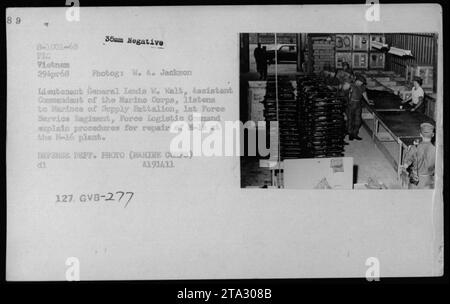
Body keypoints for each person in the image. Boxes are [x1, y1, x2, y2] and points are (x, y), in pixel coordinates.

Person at [402, 122, 436, 189]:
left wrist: (407, 150)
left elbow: (405, 165)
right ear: (432, 135)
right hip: (429, 183)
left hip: (415, 183)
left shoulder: (414, 148)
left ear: (420, 134)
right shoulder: (436, 150)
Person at [347, 74, 373, 140]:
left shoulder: (362, 87)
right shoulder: (351, 85)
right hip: (351, 103)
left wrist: (368, 101)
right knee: (350, 120)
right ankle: (350, 134)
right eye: (361, 82)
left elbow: (364, 93)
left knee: (358, 120)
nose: (362, 83)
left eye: (362, 82)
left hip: (358, 104)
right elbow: (345, 92)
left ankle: (355, 134)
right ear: (357, 81)